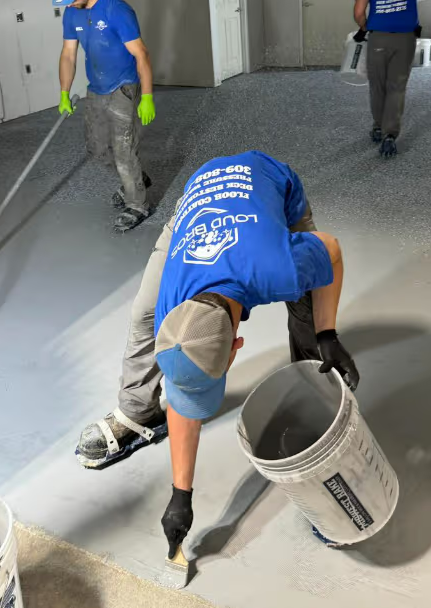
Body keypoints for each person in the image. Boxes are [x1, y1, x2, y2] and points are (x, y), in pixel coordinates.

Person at [75, 150, 359, 558]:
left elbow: (330, 249)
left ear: (237, 347)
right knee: (142, 313)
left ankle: (311, 395)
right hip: (195, 206)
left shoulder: (278, 270)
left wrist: (328, 331)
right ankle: (139, 411)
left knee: (307, 310)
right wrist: (180, 494)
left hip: (268, 189)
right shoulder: (172, 306)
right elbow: (184, 392)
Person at [50, 0, 156, 232]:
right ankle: (136, 177)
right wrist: (64, 92)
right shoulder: (72, 13)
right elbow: (68, 55)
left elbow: (141, 54)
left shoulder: (116, 9)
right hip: (95, 88)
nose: (71, 4)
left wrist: (146, 96)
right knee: (96, 148)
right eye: (66, 0)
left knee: (123, 151)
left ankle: (137, 204)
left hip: (123, 86)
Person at [354, 0, 424, 158]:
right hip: (406, 37)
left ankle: (377, 125)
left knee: (378, 85)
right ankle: (390, 134)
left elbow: (358, 12)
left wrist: (364, 27)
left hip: (379, 37)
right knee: (397, 85)